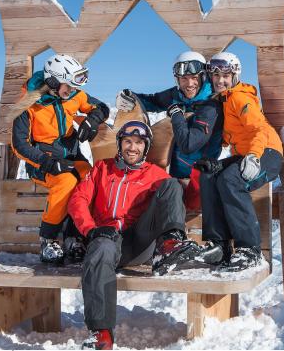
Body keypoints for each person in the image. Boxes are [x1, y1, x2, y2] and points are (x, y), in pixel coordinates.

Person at [68, 120, 201, 350]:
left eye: (139, 143)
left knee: (172, 186)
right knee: (101, 247)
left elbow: (185, 201)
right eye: (128, 141)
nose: (133, 147)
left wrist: (199, 177)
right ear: (120, 144)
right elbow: (78, 199)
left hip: (139, 242)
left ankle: (169, 245)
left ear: (145, 147)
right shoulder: (101, 169)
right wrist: (91, 229)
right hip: (107, 239)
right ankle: (101, 334)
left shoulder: (154, 174)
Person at [11, 54, 109, 264]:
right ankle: (48, 240)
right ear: (53, 82)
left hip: (72, 157)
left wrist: (92, 120)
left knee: (90, 179)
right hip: (42, 163)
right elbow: (19, 146)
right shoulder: (29, 105)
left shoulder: (74, 95)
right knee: (66, 182)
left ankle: (75, 237)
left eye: (74, 86)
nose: (72, 90)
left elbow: (102, 107)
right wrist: (47, 162)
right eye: (68, 86)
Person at [195, 52, 284, 271]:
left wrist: (254, 156)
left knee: (230, 180)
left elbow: (259, 129)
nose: (220, 81)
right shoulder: (223, 101)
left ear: (235, 76)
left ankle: (250, 249)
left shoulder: (239, 98)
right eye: (216, 76)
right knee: (208, 175)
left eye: (225, 76)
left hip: (267, 153)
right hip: (246, 154)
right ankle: (219, 245)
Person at [115, 51, 223, 211]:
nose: (189, 84)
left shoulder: (211, 104)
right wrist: (130, 96)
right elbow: (152, 100)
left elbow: (189, 144)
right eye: (184, 79)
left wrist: (176, 114)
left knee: (184, 206)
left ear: (203, 77)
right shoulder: (177, 95)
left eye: (194, 78)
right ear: (177, 80)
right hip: (173, 173)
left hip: (199, 176)